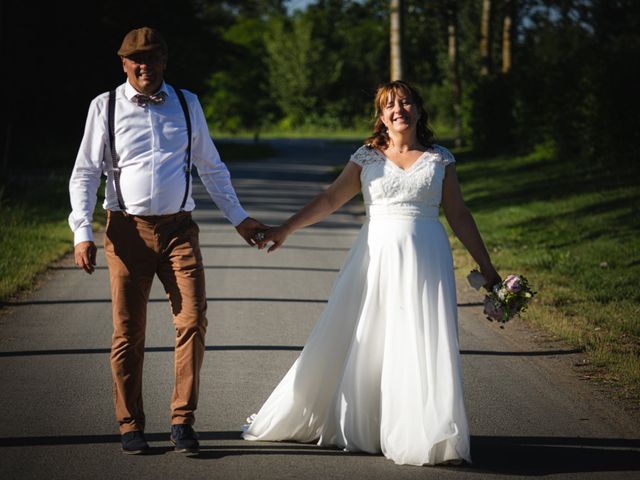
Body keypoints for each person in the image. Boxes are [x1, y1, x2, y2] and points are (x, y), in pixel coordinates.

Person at [242, 80, 500, 466]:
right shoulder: (367, 157)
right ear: (381, 116)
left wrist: (487, 267)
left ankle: (424, 431)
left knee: (419, 340)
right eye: (390, 105)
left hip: (427, 259)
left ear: (418, 110)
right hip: (375, 257)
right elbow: (330, 198)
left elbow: (459, 215)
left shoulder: (440, 158)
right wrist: (285, 229)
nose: (400, 110)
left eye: (407, 102)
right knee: (367, 336)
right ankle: (364, 422)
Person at [68, 27, 265, 455]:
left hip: (179, 230)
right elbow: (85, 172)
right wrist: (81, 231)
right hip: (126, 231)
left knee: (192, 321)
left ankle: (181, 421)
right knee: (128, 332)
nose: (144, 66)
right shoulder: (104, 107)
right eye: (135, 60)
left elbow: (211, 167)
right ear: (124, 64)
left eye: (152, 59)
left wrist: (239, 217)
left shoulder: (187, 104)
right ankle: (130, 424)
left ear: (164, 62)